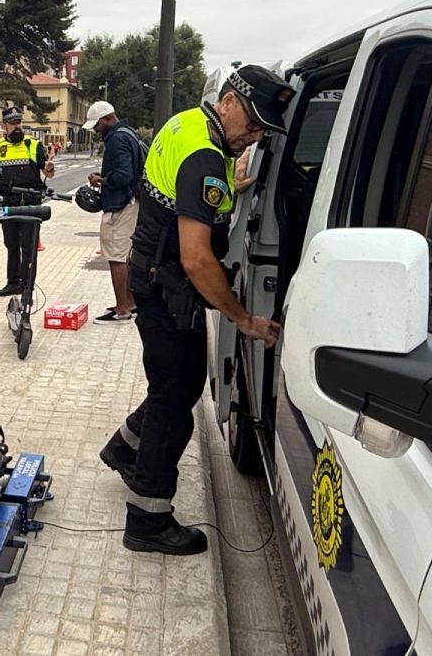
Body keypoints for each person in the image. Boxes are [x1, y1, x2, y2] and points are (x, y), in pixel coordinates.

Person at [99, 65, 291, 555]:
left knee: (174, 385)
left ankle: (124, 448)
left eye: (262, 132)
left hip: (151, 277)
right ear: (228, 100)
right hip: (172, 290)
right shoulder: (207, 157)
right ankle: (147, 520)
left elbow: (198, 197)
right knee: (174, 403)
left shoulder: (186, 124)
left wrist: (235, 189)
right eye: (250, 124)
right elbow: (198, 258)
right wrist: (242, 317)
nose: (252, 137)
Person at [0, 106, 55, 296]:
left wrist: (50, 168)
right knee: (11, 244)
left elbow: (47, 174)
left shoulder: (33, 145)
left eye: (19, 122)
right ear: (4, 126)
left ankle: (27, 286)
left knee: (29, 246)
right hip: (8, 203)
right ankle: (13, 283)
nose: (17, 126)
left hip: (30, 203)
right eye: (13, 123)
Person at [83, 101, 144, 325]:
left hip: (121, 205)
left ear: (108, 118)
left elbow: (123, 176)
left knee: (117, 258)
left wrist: (102, 180)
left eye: (97, 124)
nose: (95, 129)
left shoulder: (117, 139)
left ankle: (123, 309)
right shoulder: (129, 133)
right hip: (129, 202)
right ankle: (129, 303)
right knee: (123, 257)